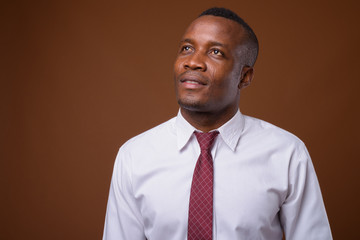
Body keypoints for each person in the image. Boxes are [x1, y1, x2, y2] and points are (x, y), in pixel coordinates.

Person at [102, 7, 332, 240]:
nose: (193, 62)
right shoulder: (134, 156)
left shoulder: (287, 154)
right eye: (187, 48)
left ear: (245, 76)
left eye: (215, 52)